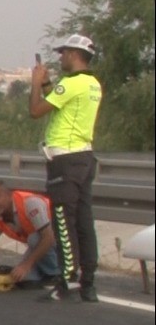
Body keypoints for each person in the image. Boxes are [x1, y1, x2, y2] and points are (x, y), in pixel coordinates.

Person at [29, 33, 103, 302]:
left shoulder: (72, 83)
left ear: (74, 54)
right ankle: (89, 283)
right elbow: (59, 105)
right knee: (84, 220)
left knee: (63, 219)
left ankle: (66, 279)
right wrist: (48, 82)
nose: (61, 57)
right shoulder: (92, 84)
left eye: (63, 53)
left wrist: (35, 84)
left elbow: (37, 110)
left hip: (65, 160)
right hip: (84, 157)